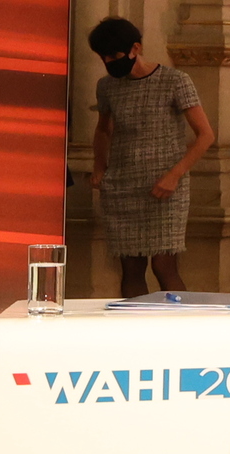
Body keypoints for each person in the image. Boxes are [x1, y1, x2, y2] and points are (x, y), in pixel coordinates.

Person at [84, 15, 215, 297]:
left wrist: (174, 175)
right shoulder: (107, 86)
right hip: (122, 185)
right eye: (103, 57)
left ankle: (181, 333)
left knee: (164, 265)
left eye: (114, 55)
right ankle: (136, 334)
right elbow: (103, 130)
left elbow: (205, 136)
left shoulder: (175, 81)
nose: (108, 62)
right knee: (131, 267)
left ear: (136, 48)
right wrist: (99, 166)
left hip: (166, 187)